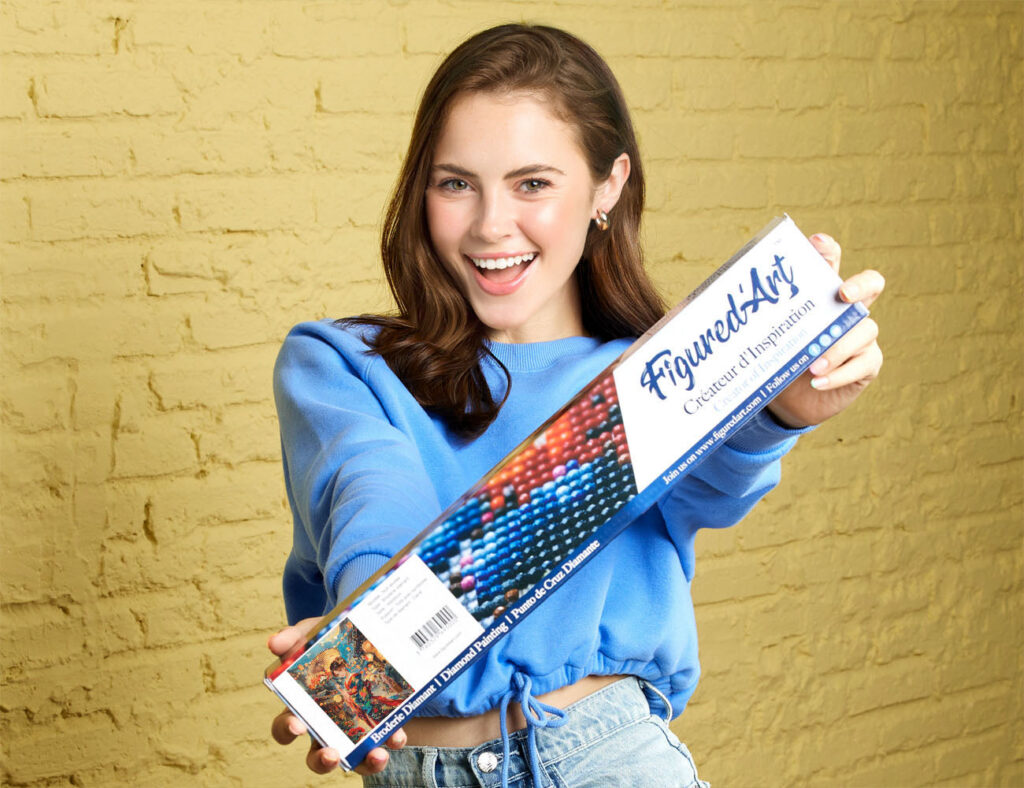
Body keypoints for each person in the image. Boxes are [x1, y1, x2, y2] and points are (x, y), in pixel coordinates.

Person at [267, 23, 884, 788]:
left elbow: (717, 485)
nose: (492, 225)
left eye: (532, 184)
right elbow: (367, 494)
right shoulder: (340, 364)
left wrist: (777, 411)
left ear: (607, 186)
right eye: (456, 183)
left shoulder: (653, 379)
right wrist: (373, 627)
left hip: (610, 760)